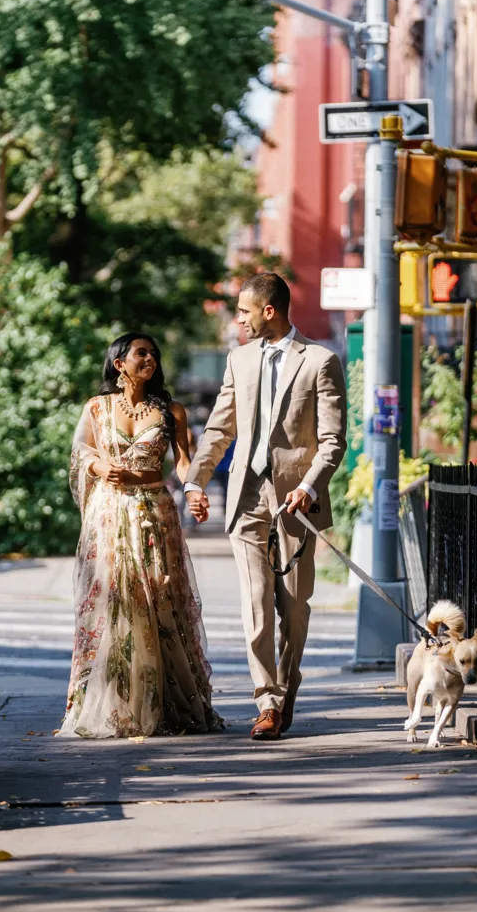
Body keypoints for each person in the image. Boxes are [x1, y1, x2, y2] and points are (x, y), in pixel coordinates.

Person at [185, 273, 347, 741]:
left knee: (293, 611)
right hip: (246, 498)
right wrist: (195, 480)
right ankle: (267, 702)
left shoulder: (321, 361)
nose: (238, 319)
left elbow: (333, 441)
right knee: (256, 602)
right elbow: (219, 428)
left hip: (298, 503)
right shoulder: (239, 359)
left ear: (268, 311)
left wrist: (310, 488)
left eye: (243, 312)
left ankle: (287, 691)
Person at [61, 332, 222, 739]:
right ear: (119, 364)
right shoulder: (97, 408)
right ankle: (113, 705)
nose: (150, 358)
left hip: (154, 511)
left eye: (153, 353)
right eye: (141, 353)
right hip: (110, 514)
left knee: (158, 600)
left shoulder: (171, 411)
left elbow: (184, 463)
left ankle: (165, 703)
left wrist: (196, 490)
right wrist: (99, 469)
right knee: (115, 601)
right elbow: (81, 449)